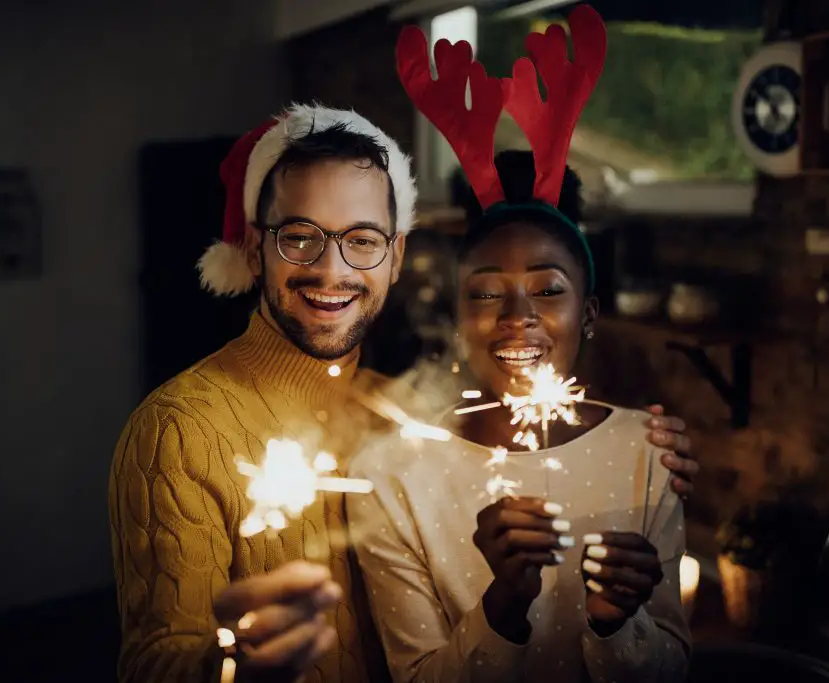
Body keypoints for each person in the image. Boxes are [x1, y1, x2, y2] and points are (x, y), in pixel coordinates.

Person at [108, 101, 696, 683]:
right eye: (298, 236)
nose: (330, 269)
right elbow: (151, 665)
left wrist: (635, 445)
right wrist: (232, 663)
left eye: (361, 240)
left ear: (396, 257)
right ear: (256, 249)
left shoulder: (408, 417)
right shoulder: (178, 431)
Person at [347, 7, 688, 683]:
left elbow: (673, 669)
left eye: (548, 289)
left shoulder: (647, 454)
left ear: (589, 314)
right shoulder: (391, 476)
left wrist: (620, 621)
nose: (516, 317)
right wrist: (501, 605)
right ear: (455, 312)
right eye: (484, 291)